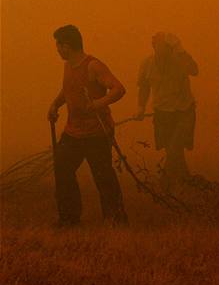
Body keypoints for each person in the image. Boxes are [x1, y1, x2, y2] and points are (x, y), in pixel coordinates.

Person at [47, 24, 128, 227]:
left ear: (67, 46)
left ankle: (116, 220)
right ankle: (69, 219)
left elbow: (118, 89)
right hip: (73, 131)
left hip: (96, 132)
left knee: (103, 177)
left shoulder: (93, 65)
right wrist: (55, 104)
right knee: (62, 168)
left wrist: (98, 104)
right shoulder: (68, 66)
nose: (57, 49)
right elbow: (68, 90)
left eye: (58, 45)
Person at [135, 32, 198, 188]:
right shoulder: (147, 64)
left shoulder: (181, 60)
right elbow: (144, 87)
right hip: (162, 113)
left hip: (184, 111)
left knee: (175, 147)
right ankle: (187, 182)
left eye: (167, 47)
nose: (162, 50)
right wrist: (140, 107)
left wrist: (181, 49)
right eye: (159, 46)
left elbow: (194, 70)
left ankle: (164, 184)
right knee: (172, 148)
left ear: (171, 49)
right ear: (154, 46)